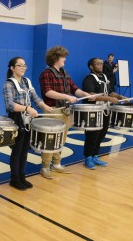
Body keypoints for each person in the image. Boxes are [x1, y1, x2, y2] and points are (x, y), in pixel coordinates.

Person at [39, 46, 93, 179]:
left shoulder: (64, 73)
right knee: (50, 140)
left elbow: (74, 89)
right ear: (56, 58)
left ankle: (56, 163)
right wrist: (67, 97)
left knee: (61, 139)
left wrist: (86, 94)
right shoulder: (46, 73)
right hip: (53, 110)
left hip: (65, 111)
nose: (65, 59)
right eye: (63, 57)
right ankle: (45, 166)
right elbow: (48, 92)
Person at [3, 57, 53, 190]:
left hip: (27, 118)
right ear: (12, 68)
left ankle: (22, 176)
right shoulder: (9, 83)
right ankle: (14, 178)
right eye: (20, 65)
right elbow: (10, 104)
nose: (23, 68)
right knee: (17, 150)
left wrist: (44, 106)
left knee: (25, 149)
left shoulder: (26, 81)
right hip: (16, 118)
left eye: (24, 65)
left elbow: (35, 97)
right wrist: (27, 108)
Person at [82, 58, 126, 169]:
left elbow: (110, 92)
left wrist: (121, 97)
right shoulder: (89, 78)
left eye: (101, 63)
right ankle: (88, 158)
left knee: (102, 134)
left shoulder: (104, 77)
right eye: (98, 64)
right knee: (92, 136)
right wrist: (108, 99)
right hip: (93, 111)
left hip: (105, 110)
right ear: (91, 66)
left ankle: (95, 155)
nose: (101, 65)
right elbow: (91, 95)